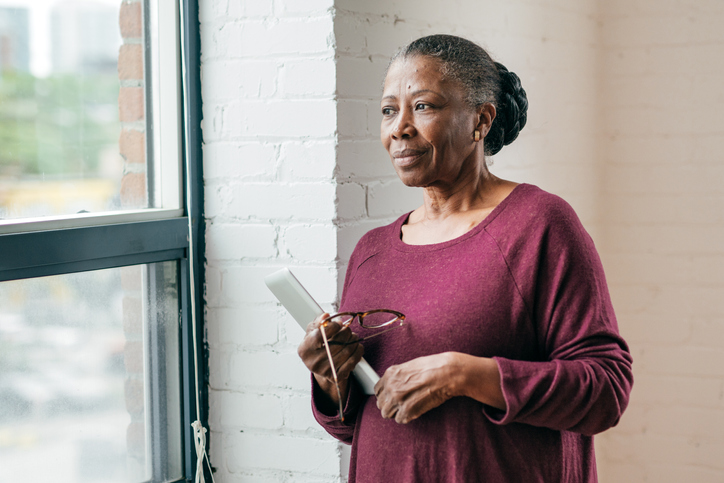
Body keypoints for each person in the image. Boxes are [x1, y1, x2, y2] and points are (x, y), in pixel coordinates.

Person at [297, 34, 633, 482]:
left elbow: (605, 391)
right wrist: (330, 379)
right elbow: (362, 423)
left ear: (480, 120)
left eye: (424, 106)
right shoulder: (371, 252)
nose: (399, 127)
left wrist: (464, 374)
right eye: (387, 110)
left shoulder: (539, 225)